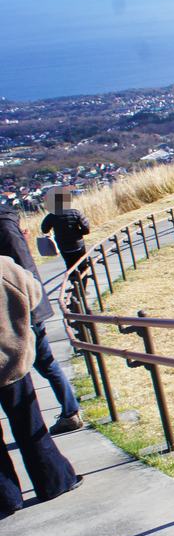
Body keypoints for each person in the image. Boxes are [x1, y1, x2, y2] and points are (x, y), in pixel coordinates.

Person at [0, 254, 81, 518]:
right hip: (11, 361)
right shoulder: (3, 266)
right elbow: (34, 294)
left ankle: (6, 498)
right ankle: (55, 481)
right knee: (30, 425)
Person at [0, 205, 81, 434]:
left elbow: (20, 273)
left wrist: (30, 311)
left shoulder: (4, 228)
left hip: (22, 311)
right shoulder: (9, 225)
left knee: (42, 365)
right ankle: (70, 410)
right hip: (26, 308)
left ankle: (70, 411)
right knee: (45, 364)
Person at [40, 189, 90, 273]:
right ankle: (83, 283)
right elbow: (86, 229)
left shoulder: (51, 216)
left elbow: (44, 230)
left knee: (70, 266)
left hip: (63, 245)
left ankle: (73, 281)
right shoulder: (75, 213)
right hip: (78, 244)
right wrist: (77, 233)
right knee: (83, 266)